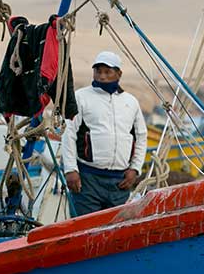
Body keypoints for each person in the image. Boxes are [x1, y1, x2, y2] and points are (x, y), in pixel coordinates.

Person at [61, 51, 147, 215]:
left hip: (119, 182)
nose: (102, 76)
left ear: (118, 74)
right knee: (84, 230)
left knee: (115, 233)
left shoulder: (131, 102)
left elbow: (141, 136)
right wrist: (70, 170)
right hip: (87, 180)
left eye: (107, 72)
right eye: (98, 71)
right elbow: (68, 134)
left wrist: (135, 169)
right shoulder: (80, 97)